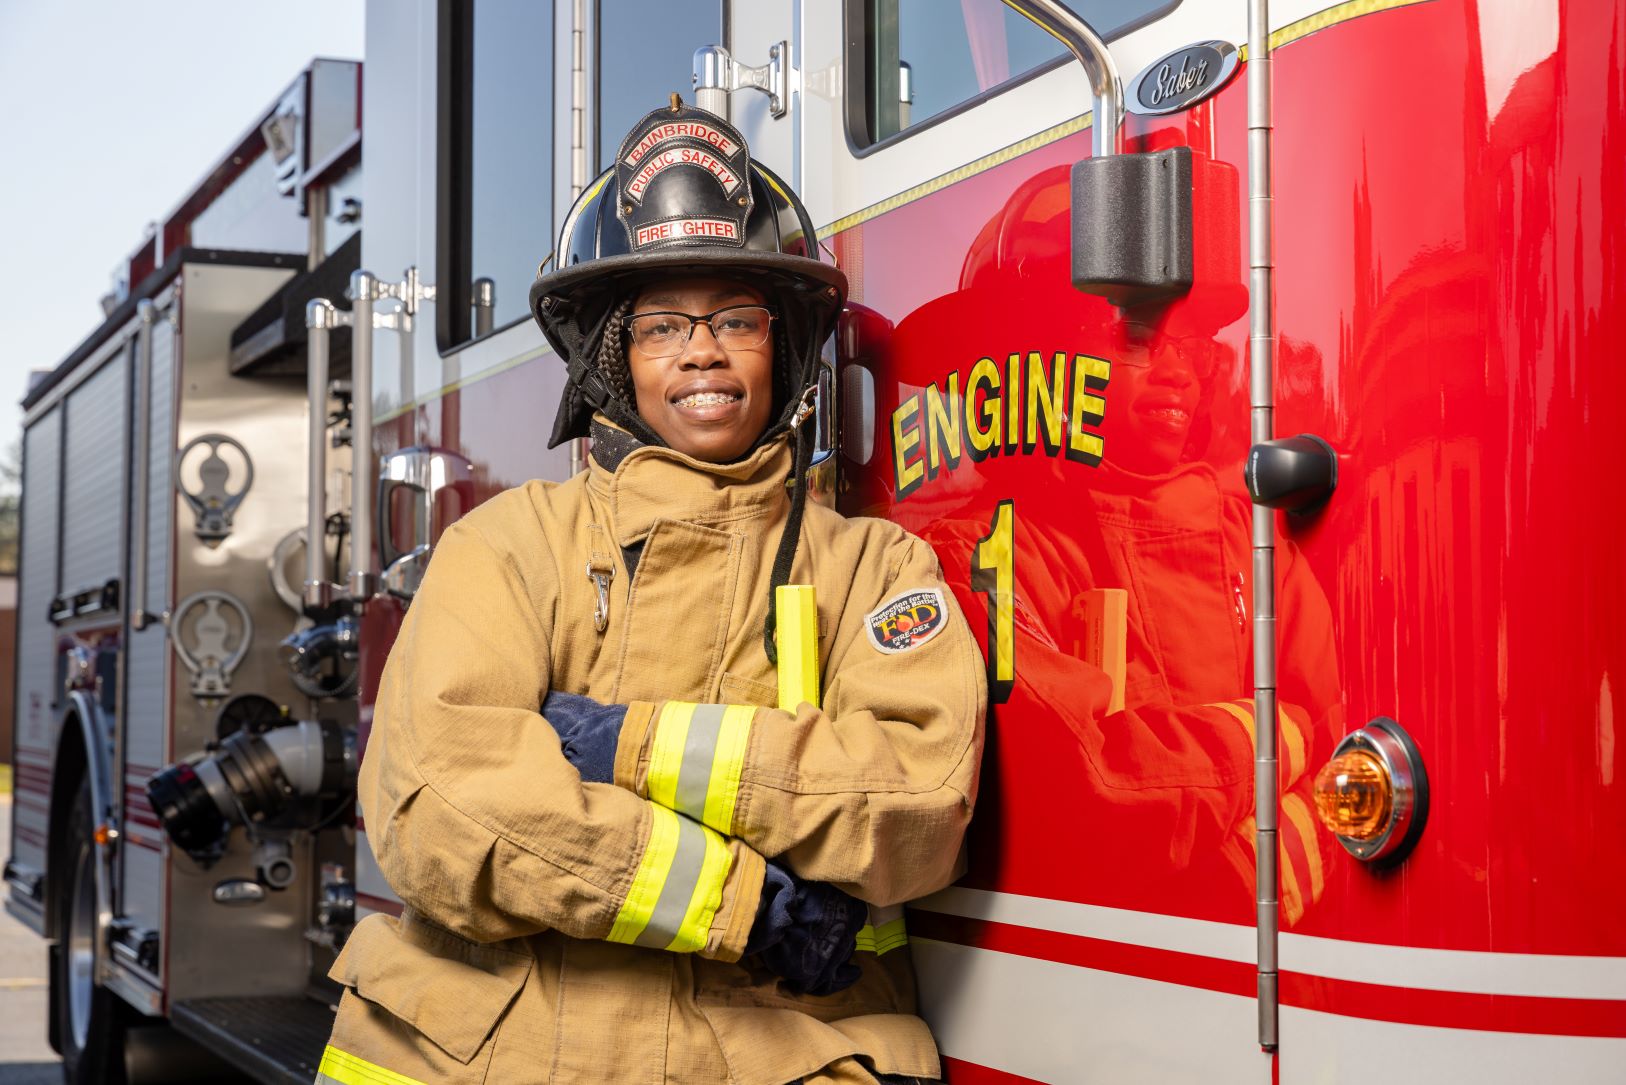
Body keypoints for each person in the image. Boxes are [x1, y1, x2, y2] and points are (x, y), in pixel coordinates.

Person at [316, 100, 986, 1085]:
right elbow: (446, 805)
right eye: (663, 325)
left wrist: (618, 745)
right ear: (612, 358)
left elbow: (915, 808)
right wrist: (747, 902)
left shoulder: (873, 569)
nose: (702, 350)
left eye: (735, 320)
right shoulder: (503, 549)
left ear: (786, 344)